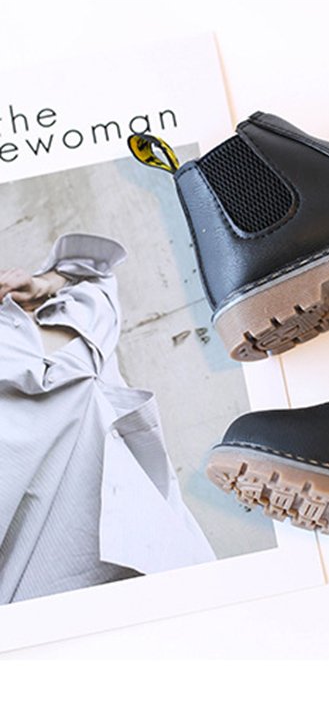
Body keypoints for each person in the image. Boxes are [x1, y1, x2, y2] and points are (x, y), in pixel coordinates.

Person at [0, 233, 215, 604]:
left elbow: (92, 271)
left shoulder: (73, 319)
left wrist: (41, 285)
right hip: (158, 554)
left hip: (61, 592)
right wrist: (44, 284)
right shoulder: (81, 319)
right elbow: (93, 269)